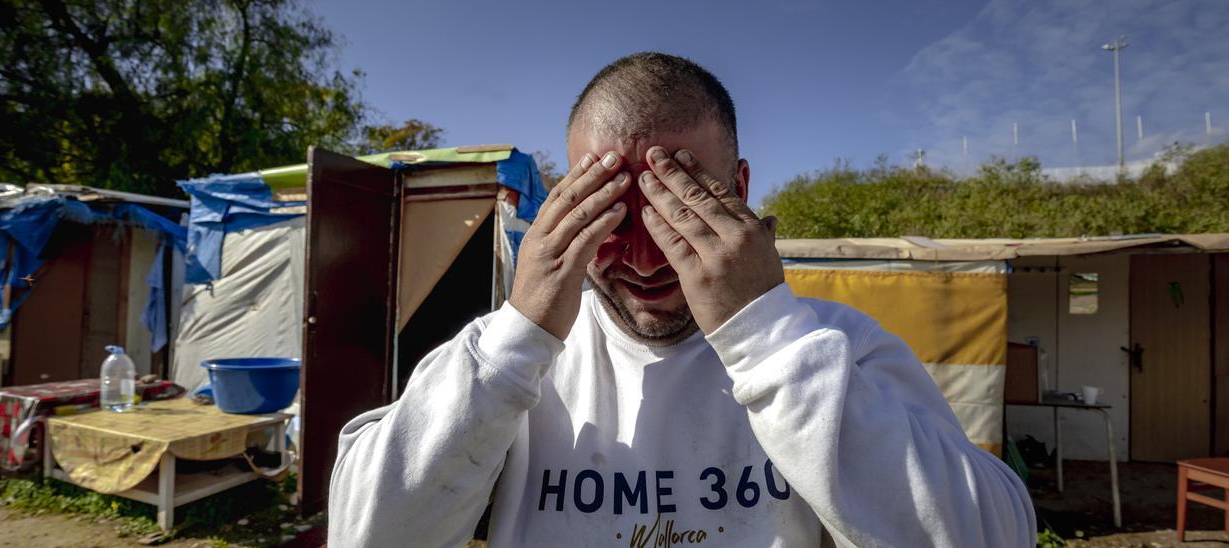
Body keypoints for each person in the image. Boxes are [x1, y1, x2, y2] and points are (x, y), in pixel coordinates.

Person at [328, 52, 1035, 547]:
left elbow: (992, 535)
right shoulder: (508, 363)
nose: (639, 259)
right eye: (607, 211)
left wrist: (769, 340)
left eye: (676, 208)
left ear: (740, 190)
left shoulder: (830, 347)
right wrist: (518, 335)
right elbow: (367, 534)